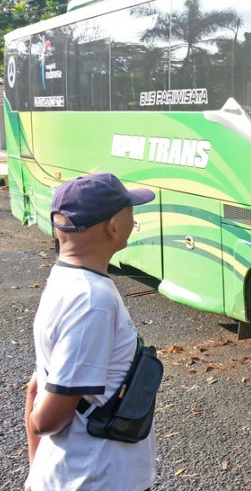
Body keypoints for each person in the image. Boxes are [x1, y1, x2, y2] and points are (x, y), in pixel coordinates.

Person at [24, 172, 157, 491]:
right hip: (94, 478)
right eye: (130, 211)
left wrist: (36, 470)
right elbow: (46, 419)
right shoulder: (90, 300)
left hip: (74, 475)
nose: (133, 219)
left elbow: (34, 388)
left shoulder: (64, 279)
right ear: (113, 227)